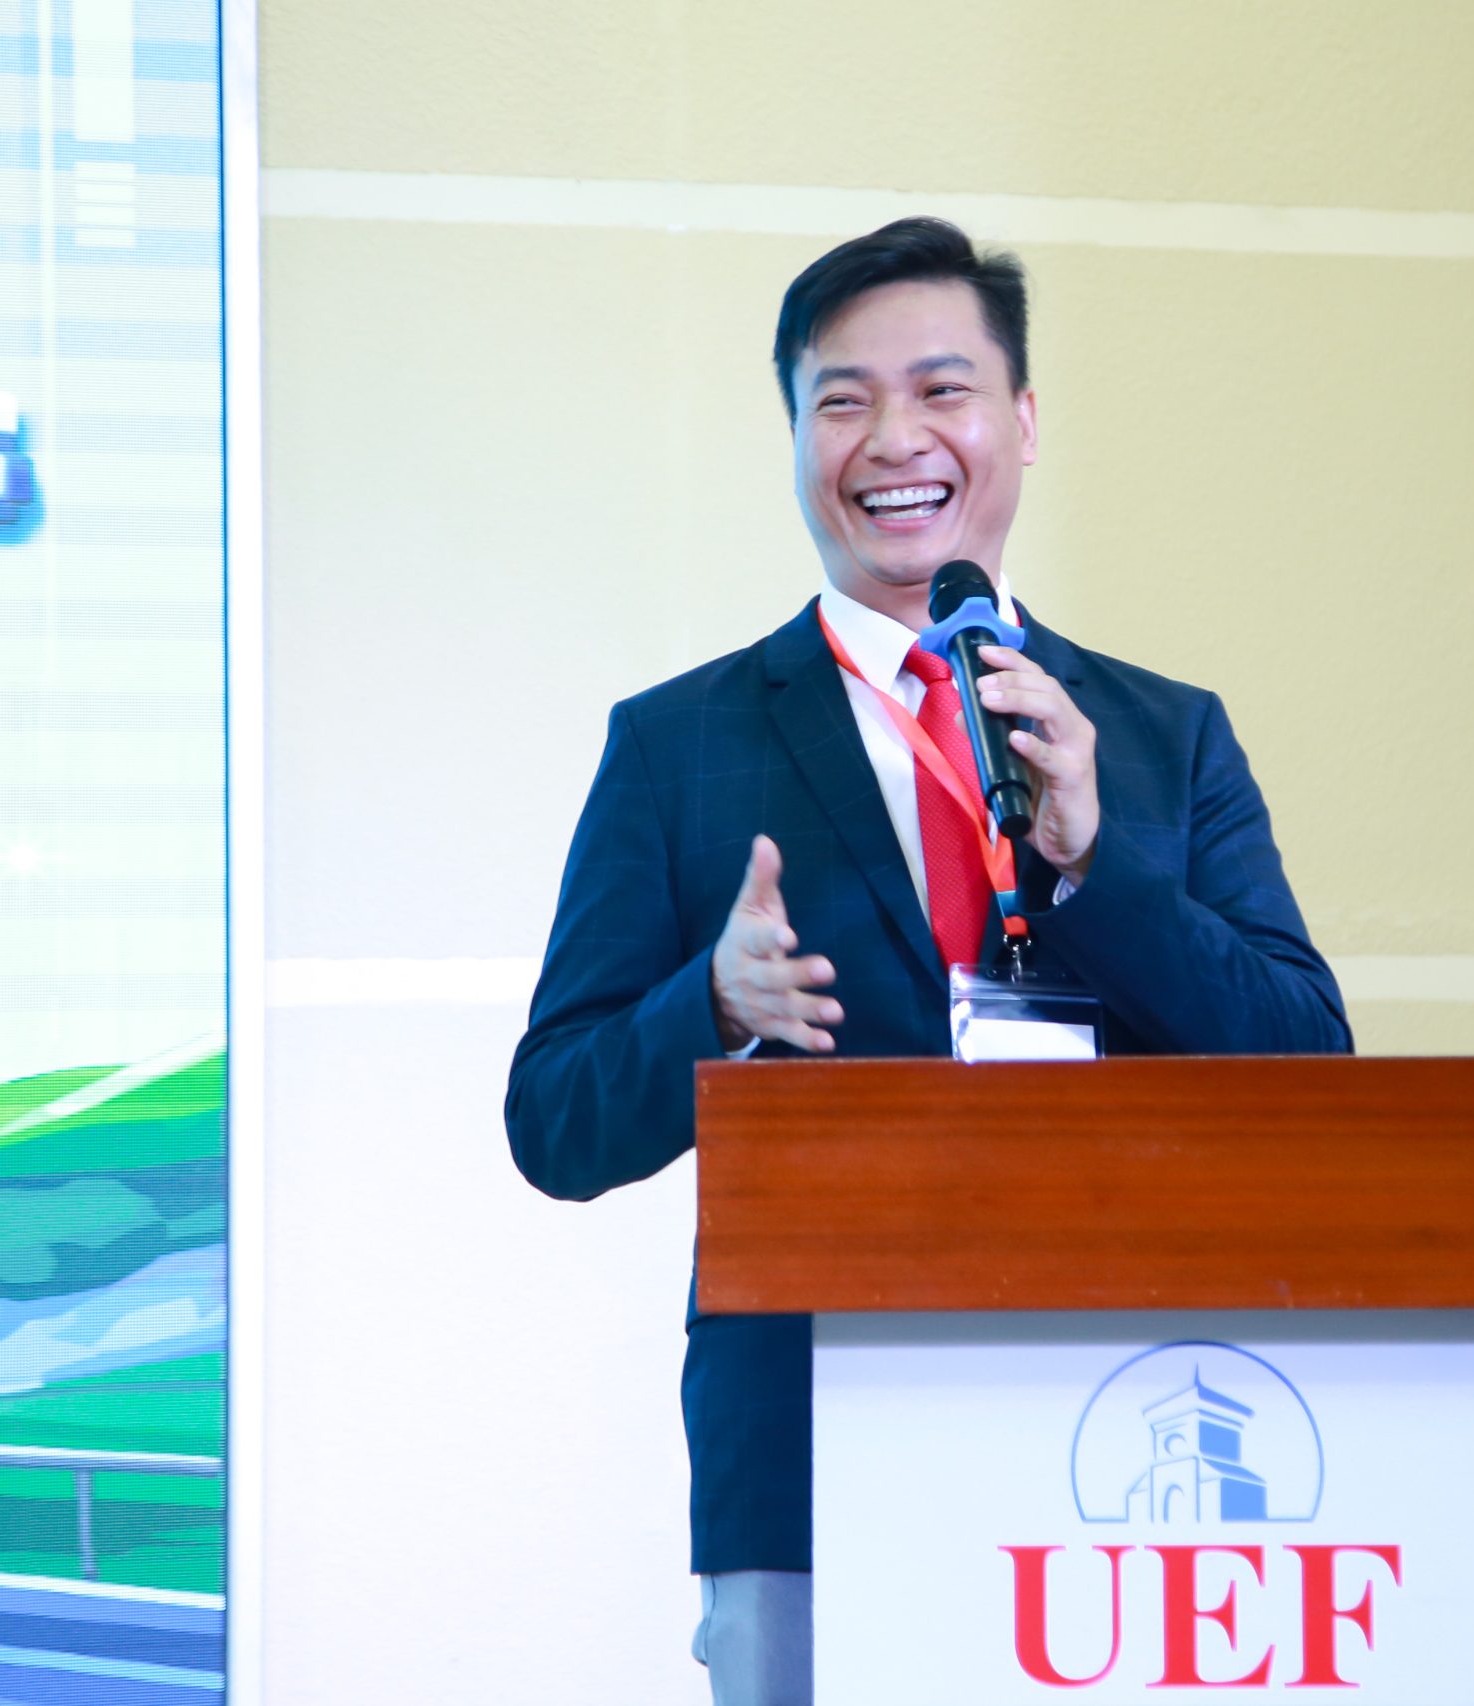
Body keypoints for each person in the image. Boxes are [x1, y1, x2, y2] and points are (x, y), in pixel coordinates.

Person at [503, 217, 1350, 1705]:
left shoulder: (1162, 736)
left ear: (1022, 420)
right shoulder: (678, 745)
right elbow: (554, 1120)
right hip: (810, 1439)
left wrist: (1098, 865)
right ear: (794, 440)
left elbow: (1310, 1065)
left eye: (942, 390)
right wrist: (711, 1007)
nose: (894, 439)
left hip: (1124, 1428)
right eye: (843, 401)